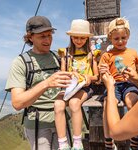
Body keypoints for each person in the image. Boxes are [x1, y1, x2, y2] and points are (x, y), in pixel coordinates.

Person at [5, 16, 72, 150]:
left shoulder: (58, 58)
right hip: (38, 125)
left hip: (62, 121)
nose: (48, 40)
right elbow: (17, 103)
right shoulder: (20, 63)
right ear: (30, 37)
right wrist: (47, 83)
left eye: (50, 35)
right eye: (42, 36)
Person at [54, 19, 99, 150]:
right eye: (75, 38)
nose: (79, 41)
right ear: (71, 37)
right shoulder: (66, 53)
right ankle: (63, 144)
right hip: (70, 87)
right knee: (58, 105)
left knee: (74, 103)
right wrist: (70, 75)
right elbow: (63, 73)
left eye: (82, 38)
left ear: (87, 38)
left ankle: (77, 143)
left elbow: (96, 77)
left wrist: (87, 77)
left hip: (85, 87)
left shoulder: (91, 54)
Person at [98, 17, 138, 149]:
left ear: (128, 36)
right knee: (107, 105)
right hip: (114, 84)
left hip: (129, 83)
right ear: (110, 39)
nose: (120, 41)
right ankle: (108, 141)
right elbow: (102, 74)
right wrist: (103, 71)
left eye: (123, 37)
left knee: (132, 102)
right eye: (116, 39)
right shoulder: (107, 55)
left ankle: (135, 137)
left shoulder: (132, 52)